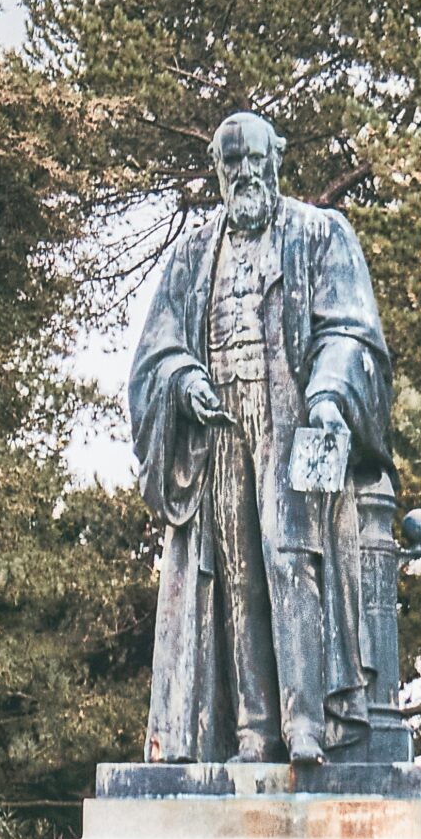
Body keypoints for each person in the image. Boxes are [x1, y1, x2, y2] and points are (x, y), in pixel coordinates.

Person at [129, 110, 394, 764]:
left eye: (255, 159)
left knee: (290, 556)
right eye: (231, 162)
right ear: (218, 170)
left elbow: (351, 332)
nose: (245, 172)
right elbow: (155, 353)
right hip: (219, 424)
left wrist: (330, 401)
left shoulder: (319, 233)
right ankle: (254, 732)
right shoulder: (194, 253)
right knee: (236, 573)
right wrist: (185, 380)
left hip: (289, 415)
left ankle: (307, 724)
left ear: (277, 159)